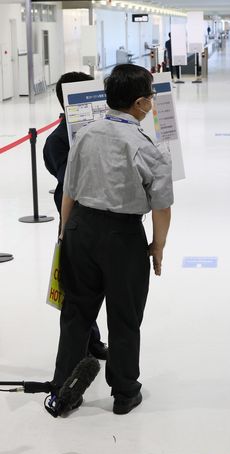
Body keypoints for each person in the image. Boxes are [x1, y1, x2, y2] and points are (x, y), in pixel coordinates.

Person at [49, 64, 173, 415]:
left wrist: (65, 233)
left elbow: (69, 190)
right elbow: (162, 206)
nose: (151, 103)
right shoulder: (145, 146)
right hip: (122, 236)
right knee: (124, 315)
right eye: (149, 98)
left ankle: (65, 387)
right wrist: (157, 247)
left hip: (80, 228)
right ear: (139, 104)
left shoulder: (85, 134)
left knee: (76, 313)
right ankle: (124, 391)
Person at [43, 72, 108, 361]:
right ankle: (81, 349)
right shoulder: (57, 142)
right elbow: (70, 183)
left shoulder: (104, 128)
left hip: (105, 218)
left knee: (93, 284)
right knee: (77, 290)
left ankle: (92, 340)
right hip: (76, 221)